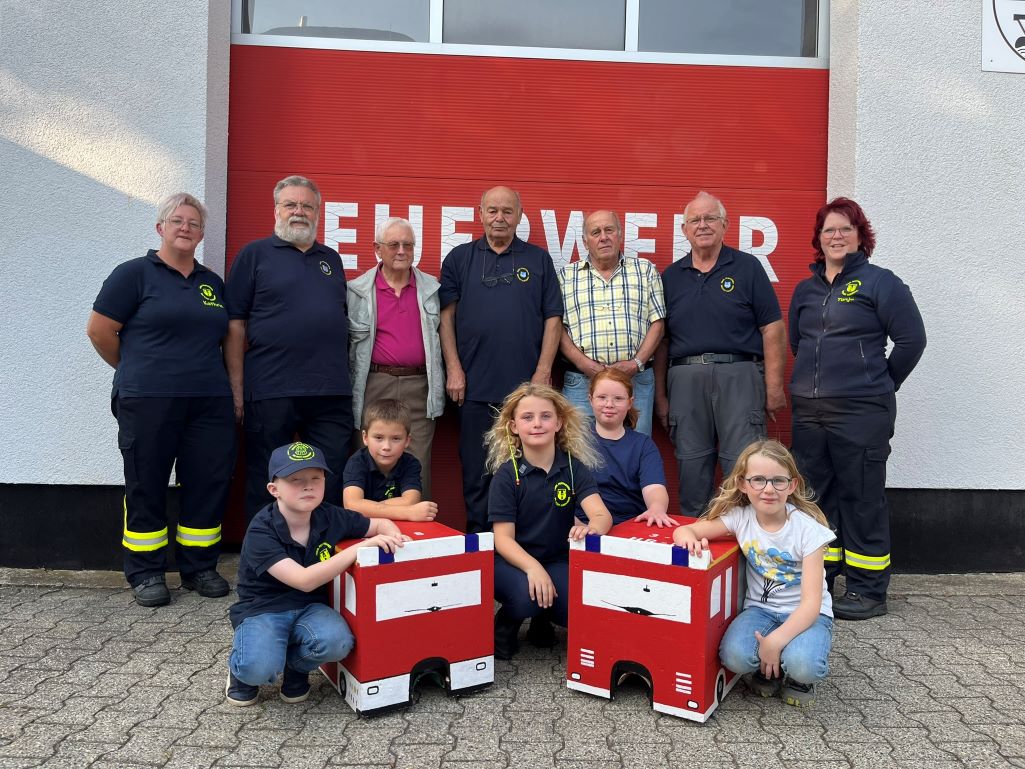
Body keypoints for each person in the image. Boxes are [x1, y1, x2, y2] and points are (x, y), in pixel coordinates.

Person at [87, 192, 234, 607]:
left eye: (193, 223)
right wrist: (135, 368)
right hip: (148, 400)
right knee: (146, 484)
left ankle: (199, 567)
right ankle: (146, 571)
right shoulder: (133, 274)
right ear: (160, 228)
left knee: (207, 483)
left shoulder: (211, 283)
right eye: (177, 221)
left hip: (208, 402)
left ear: (202, 234)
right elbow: (99, 331)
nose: (185, 228)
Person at [789, 197, 926, 621]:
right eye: (829, 229)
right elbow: (798, 344)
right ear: (818, 238)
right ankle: (822, 581)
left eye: (845, 229)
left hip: (861, 412)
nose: (836, 236)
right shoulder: (806, 290)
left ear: (860, 236)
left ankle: (868, 590)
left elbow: (912, 341)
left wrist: (879, 383)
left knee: (862, 498)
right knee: (815, 499)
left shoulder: (881, 283)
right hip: (809, 413)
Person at [226, 441, 406, 707]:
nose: (308, 486)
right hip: (264, 609)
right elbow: (304, 580)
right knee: (259, 668)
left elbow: (379, 524)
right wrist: (359, 549)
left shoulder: (330, 515)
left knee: (338, 643)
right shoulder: (261, 529)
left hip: (310, 606)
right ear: (274, 490)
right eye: (295, 480)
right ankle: (241, 673)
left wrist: (396, 539)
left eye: (315, 478)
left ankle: (295, 668)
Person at [225, 175, 354, 522]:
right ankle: (266, 551)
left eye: (307, 206)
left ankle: (322, 548)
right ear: (276, 210)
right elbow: (235, 325)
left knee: (330, 477)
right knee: (267, 477)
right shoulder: (254, 255)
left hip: (330, 391)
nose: (299, 211)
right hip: (271, 388)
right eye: (291, 204)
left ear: (318, 212)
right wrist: (237, 387)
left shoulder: (331, 259)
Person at [673, 440, 834, 708]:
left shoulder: (808, 531)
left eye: (778, 481)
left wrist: (775, 641)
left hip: (807, 615)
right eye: (758, 480)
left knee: (803, 665)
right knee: (733, 657)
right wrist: (687, 540)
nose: (768, 489)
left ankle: (797, 677)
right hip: (760, 611)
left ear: (792, 485)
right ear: (742, 484)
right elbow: (686, 530)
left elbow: (810, 605)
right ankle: (770, 668)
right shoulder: (741, 517)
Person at [440, 186, 564, 534]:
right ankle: (482, 548)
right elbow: (446, 319)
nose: (499, 218)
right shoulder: (459, 259)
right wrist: (454, 369)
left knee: (526, 474)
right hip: (473, 389)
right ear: (480, 214)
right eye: (492, 210)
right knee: (477, 474)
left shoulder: (538, 260)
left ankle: (523, 546)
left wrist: (543, 372)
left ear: (519, 216)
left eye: (507, 211)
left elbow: (553, 318)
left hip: (526, 393)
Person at [655, 191, 786, 516]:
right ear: (684, 230)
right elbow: (662, 342)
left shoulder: (747, 267)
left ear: (725, 225)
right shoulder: (670, 277)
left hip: (740, 377)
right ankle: (696, 541)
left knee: (744, 465)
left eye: (710, 218)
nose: (703, 225)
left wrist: (773, 387)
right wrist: (661, 397)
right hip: (685, 382)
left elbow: (772, 328)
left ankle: (744, 542)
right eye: (695, 220)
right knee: (692, 466)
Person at [485, 382, 614, 660]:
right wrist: (533, 568)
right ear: (513, 427)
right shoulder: (507, 476)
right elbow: (502, 540)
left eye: (545, 416)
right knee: (525, 597)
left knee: (576, 609)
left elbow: (602, 515)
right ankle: (505, 626)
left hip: (557, 559)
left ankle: (541, 621)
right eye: (527, 417)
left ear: (559, 423)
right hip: (510, 562)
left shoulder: (573, 468)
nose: (537, 424)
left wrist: (593, 529)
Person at [347, 217, 444, 499]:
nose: (402, 251)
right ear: (377, 249)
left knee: (418, 464)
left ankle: (417, 525)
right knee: (370, 460)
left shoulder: (432, 289)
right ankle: (370, 522)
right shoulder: (356, 291)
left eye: (408, 245)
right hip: (374, 383)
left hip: (420, 386)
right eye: (394, 245)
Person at [559, 210, 665, 435]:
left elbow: (658, 323)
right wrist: (584, 364)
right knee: (580, 451)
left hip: (635, 379)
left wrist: (636, 363)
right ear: (585, 242)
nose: (603, 237)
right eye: (595, 232)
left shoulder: (645, 270)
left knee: (636, 449)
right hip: (582, 381)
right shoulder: (566, 276)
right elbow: (558, 329)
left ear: (620, 235)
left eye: (609, 230)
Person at [587, 368, 674, 527]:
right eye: (602, 397)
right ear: (590, 399)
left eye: (618, 398)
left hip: (630, 524)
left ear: (630, 402)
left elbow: (654, 488)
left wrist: (656, 508)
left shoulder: (643, 445)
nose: (609, 404)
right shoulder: (575, 441)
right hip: (584, 524)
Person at [341, 399, 439, 522]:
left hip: (399, 526)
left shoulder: (410, 463)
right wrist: (408, 512)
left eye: (396, 439)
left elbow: (411, 501)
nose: (386, 447)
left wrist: (368, 507)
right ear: (365, 437)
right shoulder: (356, 462)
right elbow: (352, 506)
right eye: (379, 437)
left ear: (407, 441)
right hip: (363, 527)